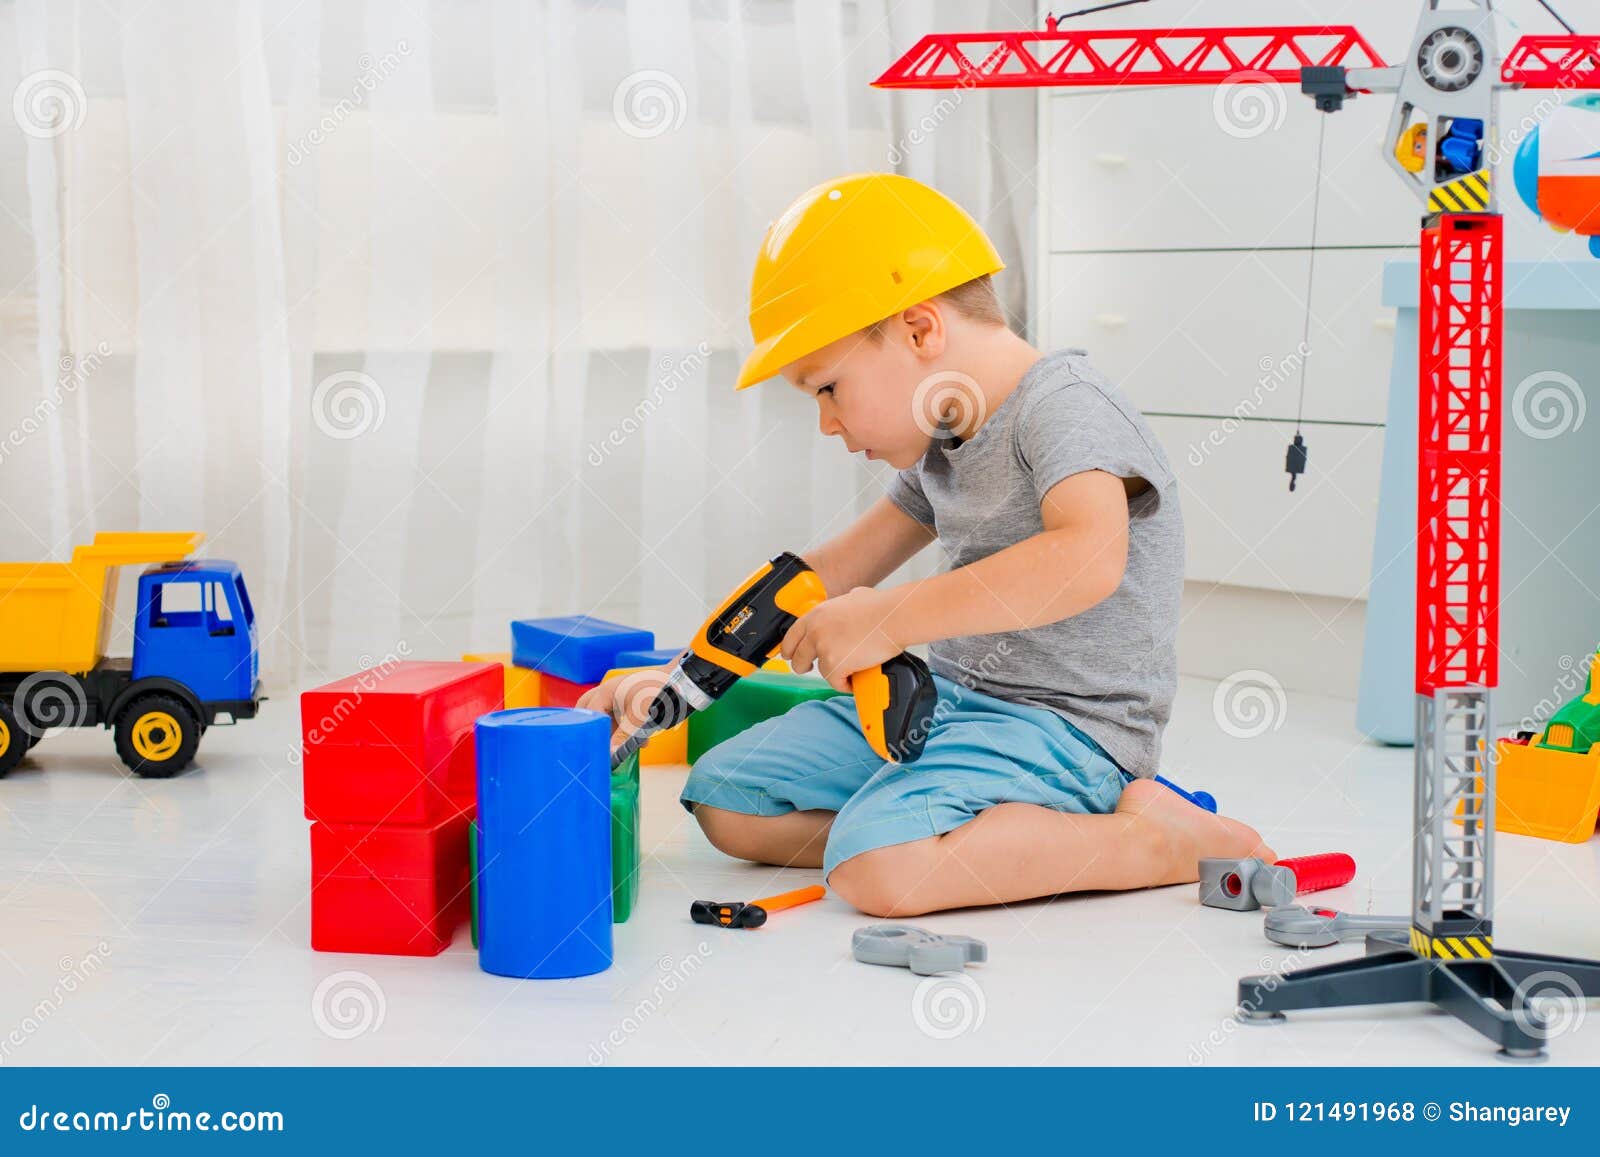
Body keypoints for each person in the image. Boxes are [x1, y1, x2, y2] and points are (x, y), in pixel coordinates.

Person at [579, 173, 1273, 917]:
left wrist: (885, 619)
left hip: (1072, 731)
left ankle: (1158, 843)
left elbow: (1085, 559)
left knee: (876, 871)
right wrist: (677, 688)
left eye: (828, 389)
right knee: (725, 799)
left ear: (918, 330)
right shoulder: (942, 445)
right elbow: (823, 574)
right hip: (955, 706)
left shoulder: (1066, 408)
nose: (827, 424)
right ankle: (946, 835)